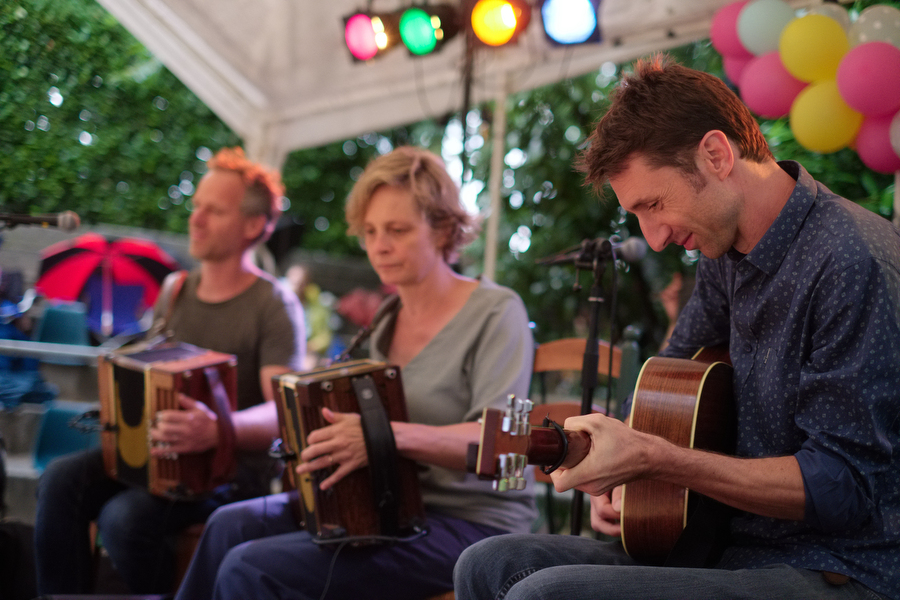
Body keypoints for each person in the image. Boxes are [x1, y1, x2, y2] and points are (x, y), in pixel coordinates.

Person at [455, 54, 900, 600]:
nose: (656, 237)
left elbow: (846, 488)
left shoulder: (852, 261)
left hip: (838, 566)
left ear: (715, 154)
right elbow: (663, 392)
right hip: (722, 542)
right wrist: (617, 466)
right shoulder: (721, 252)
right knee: (486, 564)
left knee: (542, 595)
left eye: (655, 204)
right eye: (636, 216)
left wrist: (656, 460)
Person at [174, 146, 536, 600]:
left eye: (397, 230)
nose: (378, 246)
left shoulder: (496, 311)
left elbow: (504, 446)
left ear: (444, 229)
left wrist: (380, 437)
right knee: (228, 524)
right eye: (369, 231)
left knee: (251, 568)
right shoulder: (386, 320)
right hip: (385, 504)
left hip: (472, 525)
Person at [34, 147, 306, 595]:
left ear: (254, 225)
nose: (195, 218)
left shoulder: (275, 305)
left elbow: (284, 412)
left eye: (214, 210)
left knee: (124, 519)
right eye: (197, 205)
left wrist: (218, 429)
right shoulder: (174, 289)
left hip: (232, 474)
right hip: (157, 456)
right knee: (61, 480)